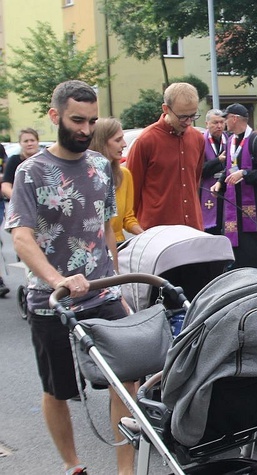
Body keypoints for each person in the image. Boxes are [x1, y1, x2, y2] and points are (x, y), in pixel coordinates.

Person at [5, 80, 135, 475]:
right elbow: (22, 238)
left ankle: (125, 469)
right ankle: (72, 465)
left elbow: (105, 229)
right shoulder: (31, 172)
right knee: (57, 389)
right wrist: (57, 278)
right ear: (54, 116)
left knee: (126, 379)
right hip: (52, 301)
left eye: (92, 121)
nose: (85, 129)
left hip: (101, 294)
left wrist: (118, 285)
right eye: (77, 120)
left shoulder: (100, 166)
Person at [210, 103, 257, 278]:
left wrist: (245, 174)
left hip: (256, 207)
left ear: (235, 118)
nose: (224, 123)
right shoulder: (230, 141)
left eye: (226, 118)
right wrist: (220, 183)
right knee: (240, 247)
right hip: (234, 206)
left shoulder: (255, 140)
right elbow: (229, 167)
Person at [126, 82, 205, 230]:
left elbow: (195, 182)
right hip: (157, 229)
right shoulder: (146, 141)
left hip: (192, 227)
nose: (188, 122)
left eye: (193, 115)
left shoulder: (198, 139)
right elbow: (132, 191)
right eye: (182, 117)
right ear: (166, 109)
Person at [90, 118, 144, 244]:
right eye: (118, 140)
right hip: (94, 247)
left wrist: (146, 235)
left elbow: (127, 217)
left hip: (118, 245)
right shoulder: (87, 177)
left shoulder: (124, 175)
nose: (124, 144)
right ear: (101, 142)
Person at [201, 109, 227, 234]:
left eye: (222, 122)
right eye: (215, 123)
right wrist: (218, 160)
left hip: (226, 189)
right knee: (211, 230)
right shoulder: (200, 142)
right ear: (207, 124)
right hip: (207, 190)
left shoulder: (229, 140)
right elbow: (199, 170)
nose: (219, 126)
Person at [2, 128, 41, 201]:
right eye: (26, 141)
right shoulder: (14, 160)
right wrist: (19, 201)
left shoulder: (45, 160)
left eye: (32, 140)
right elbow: (5, 186)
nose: (29, 144)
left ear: (37, 142)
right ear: (20, 143)